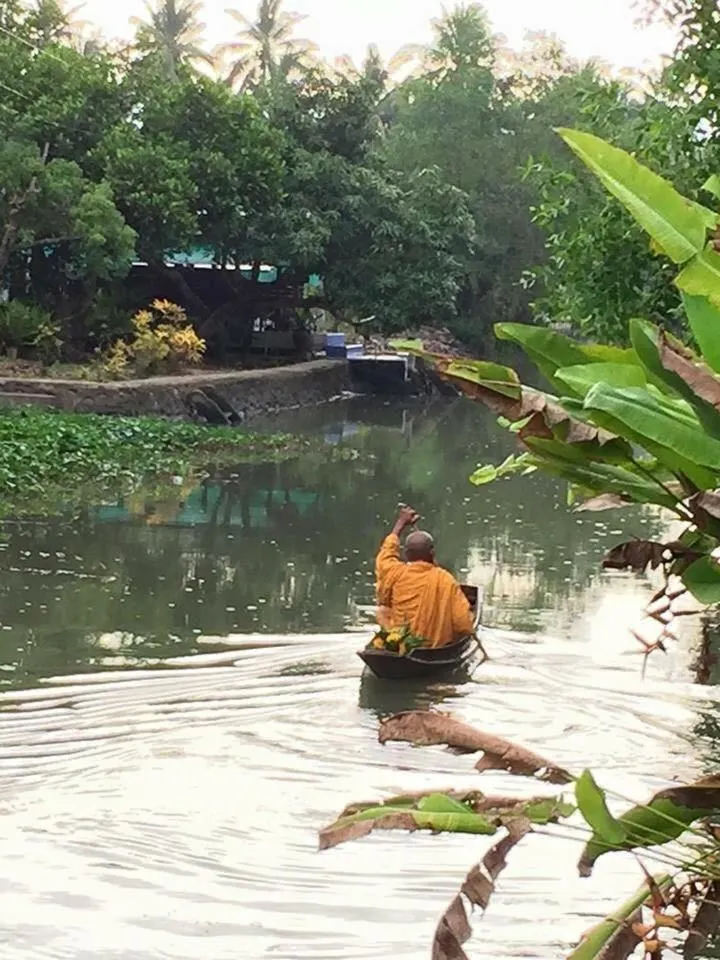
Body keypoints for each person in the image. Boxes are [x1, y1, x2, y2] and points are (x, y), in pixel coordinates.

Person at [375, 505, 474, 649]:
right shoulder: (445, 579)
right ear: (432, 553)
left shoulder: (396, 573)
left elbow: (386, 555)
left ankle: (393, 648)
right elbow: (462, 624)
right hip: (433, 646)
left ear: (406, 554)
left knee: (383, 610)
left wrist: (400, 524)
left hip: (398, 642)